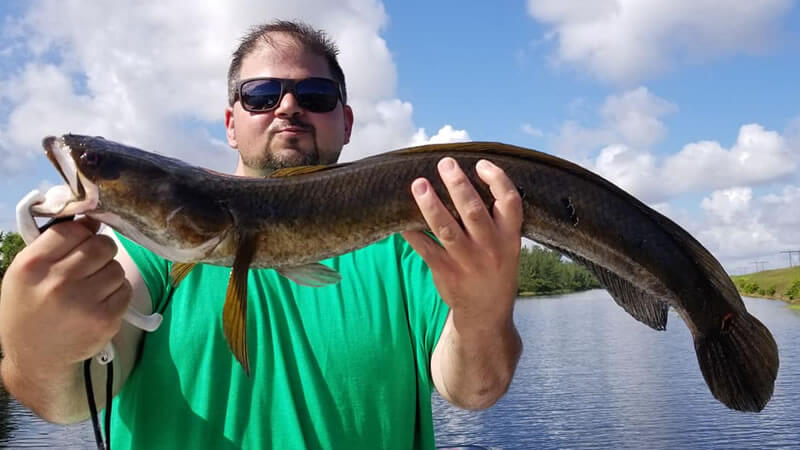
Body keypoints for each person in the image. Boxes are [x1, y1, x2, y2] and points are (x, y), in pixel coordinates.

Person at [0, 20, 522, 449]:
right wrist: (35, 350)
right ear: (231, 123)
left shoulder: (413, 237)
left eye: (315, 95)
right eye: (261, 95)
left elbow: (475, 388)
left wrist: (482, 314)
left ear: (347, 121)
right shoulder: (147, 249)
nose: (288, 107)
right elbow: (68, 398)